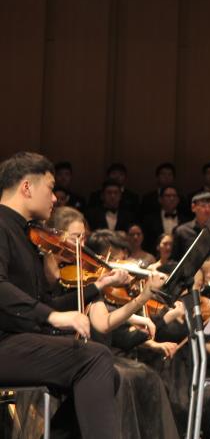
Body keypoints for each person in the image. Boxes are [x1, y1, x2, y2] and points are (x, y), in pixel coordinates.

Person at [0, 152, 121, 438]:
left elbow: (43, 304)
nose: (55, 198)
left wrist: (97, 287)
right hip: (4, 342)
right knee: (95, 359)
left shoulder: (27, 235)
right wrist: (53, 316)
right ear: (26, 187)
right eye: (50, 188)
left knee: (107, 371)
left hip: (18, 341)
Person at [171, 191, 210, 264]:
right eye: (203, 206)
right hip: (189, 271)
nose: (207, 210)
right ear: (193, 207)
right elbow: (174, 259)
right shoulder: (182, 231)